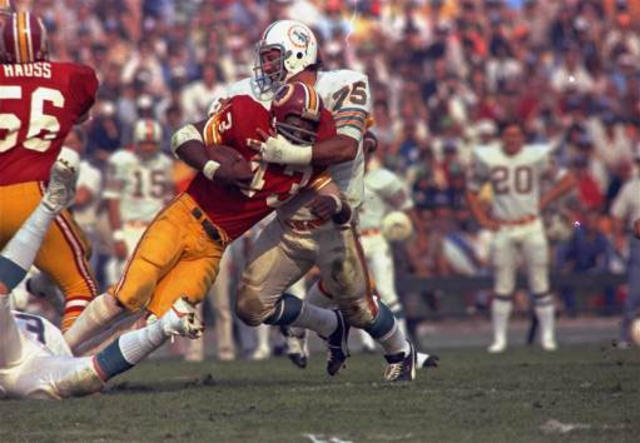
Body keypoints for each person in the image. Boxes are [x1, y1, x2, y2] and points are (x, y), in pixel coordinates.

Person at [64, 82, 351, 360]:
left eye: (310, 125)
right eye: (297, 120)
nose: (303, 129)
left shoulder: (309, 166)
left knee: (158, 322)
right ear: (278, 114)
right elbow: (183, 136)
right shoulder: (246, 115)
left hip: (214, 246)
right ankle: (61, 349)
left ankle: (88, 364)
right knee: (127, 296)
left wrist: (333, 204)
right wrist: (213, 169)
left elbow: (339, 201)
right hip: (185, 217)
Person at [212, 20, 419, 381]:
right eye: (265, 58)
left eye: (273, 57)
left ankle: (401, 352)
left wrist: (289, 153)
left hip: (333, 217)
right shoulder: (255, 92)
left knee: (360, 309)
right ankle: (328, 325)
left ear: (298, 52)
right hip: (287, 220)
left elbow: (346, 147)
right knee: (250, 307)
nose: (266, 67)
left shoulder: (343, 83)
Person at [0, 149, 203, 400]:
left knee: (13, 289)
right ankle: (165, 325)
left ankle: (50, 203)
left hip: (21, 349)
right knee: (84, 380)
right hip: (31, 361)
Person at [0, 12, 99, 331]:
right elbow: (80, 118)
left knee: (80, 246)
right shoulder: (71, 76)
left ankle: (38, 288)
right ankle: (68, 368)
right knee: (81, 287)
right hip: (32, 196)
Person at [466, 121, 576, 353]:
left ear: (523, 138)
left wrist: (544, 201)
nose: (512, 140)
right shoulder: (489, 158)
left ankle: (548, 337)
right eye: (508, 135)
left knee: (540, 283)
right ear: (501, 138)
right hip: (504, 227)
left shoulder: (536, 156)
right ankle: (499, 339)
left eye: (517, 135)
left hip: (530, 225)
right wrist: (483, 220)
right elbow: (471, 190)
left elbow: (568, 180)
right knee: (503, 285)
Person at [104, 119, 174, 284]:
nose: (148, 147)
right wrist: (117, 236)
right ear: (135, 141)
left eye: (153, 143)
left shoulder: (166, 163)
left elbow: (169, 199)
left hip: (155, 230)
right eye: (144, 143)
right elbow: (112, 200)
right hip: (130, 227)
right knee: (120, 280)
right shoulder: (121, 160)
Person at [610, 146, 640, 348]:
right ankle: (624, 336)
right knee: (635, 291)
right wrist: (618, 237)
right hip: (638, 242)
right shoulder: (631, 187)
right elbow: (617, 215)